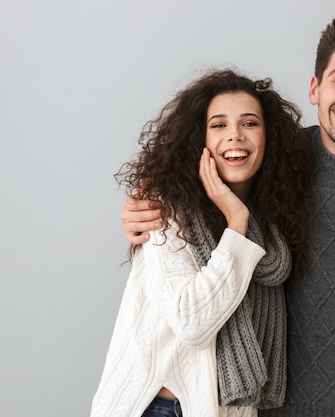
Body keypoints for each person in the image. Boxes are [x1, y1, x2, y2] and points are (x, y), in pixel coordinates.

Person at [121, 13, 335, 416]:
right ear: (315, 88)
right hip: (278, 406)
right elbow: (199, 215)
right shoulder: (278, 160)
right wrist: (139, 215)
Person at [91, 69, 312, 417]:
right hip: (157, 408)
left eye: (250, 123)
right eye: (219, 125)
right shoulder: (166, 210)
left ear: (270, 137)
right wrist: (235, 224)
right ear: (200, 139)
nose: (235, 136)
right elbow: (192, 323)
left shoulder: (275, 227)